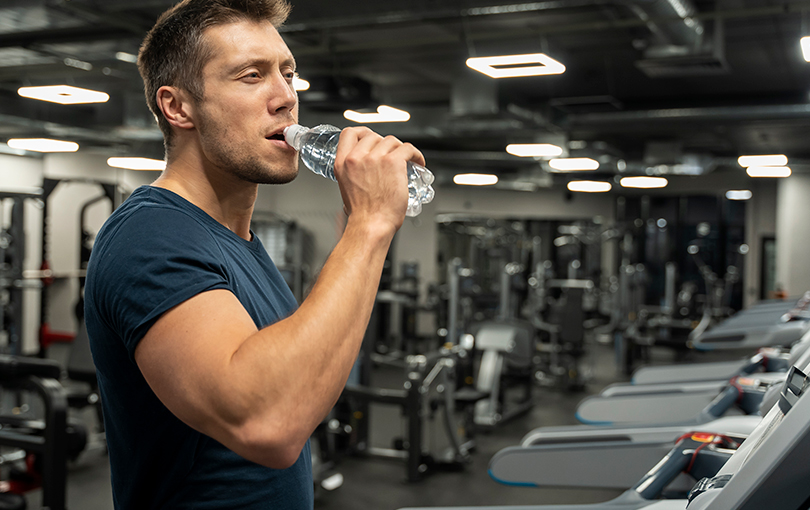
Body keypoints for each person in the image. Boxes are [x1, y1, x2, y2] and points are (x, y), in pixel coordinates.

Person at [83, 0, 425, 508]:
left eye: (289, 74)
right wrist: (370, 223)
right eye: (251, 75)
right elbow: (267, 423)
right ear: (178, 107)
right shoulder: (150, 236)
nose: (286, 97)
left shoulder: (237, 243)